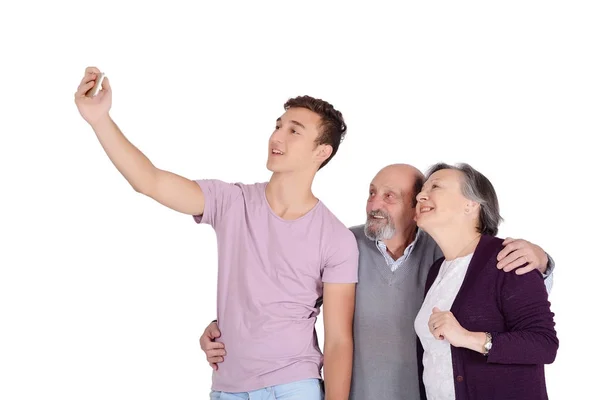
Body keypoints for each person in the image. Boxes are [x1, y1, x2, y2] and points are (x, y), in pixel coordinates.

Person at [74, 67, 359, 400]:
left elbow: (338, 340)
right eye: (278, 126)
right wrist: (100, 120)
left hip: (295, 385)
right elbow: (149, 181)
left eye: (294, 131)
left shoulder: (337, 238)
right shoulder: (231, 202)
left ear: (321, 152)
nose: (277, 137)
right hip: (229, 388)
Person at [200, 164, 555, 399]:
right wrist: (224, 327)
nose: (375, 203)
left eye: (390, 195)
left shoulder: (441, 253)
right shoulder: (343, 243)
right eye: (372, 192)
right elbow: (283, 294)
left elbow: (506, 294)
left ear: (416, 209)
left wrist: (543, 262)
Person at [414, 162, 558, 399]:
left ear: (472, 204)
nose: (421, 195)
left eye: (435, 187)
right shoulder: (437, 271)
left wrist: (467, 338)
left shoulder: (507, 259)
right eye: (422, 190)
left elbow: (544, 344)